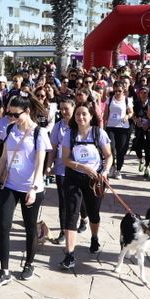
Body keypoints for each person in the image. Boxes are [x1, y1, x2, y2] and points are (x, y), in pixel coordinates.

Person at [0, 95, 51, 287]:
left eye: (16, 114)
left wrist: (33, 187)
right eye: (9, 113)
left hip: (31, 187)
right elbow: (5, 158)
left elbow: (40, 163)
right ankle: (4, 270)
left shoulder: (39, 133)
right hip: (10, 185)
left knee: (30, 227)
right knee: (3, 226)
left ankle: (29, 264)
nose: (11, 117)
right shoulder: (9, 129)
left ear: (28, 111)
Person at [60, 101, 113, 269]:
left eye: (84, 114)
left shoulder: (99, 134)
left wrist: (105, 171)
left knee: (93, 212)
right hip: (74, 177)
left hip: (95, 180)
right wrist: (82, 167)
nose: (80, 117)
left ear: (91, 116)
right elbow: (65, 159)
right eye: (77, 114)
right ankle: (69, 254)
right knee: (72, 213)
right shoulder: (69, 134)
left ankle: (94, 237)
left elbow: (109, 156)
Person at [47, 98, 87, 244]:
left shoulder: (81, 126)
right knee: (63, 201)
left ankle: (84, 217)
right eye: (61, 109)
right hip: (61, 168)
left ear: (73, 108)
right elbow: (52, 147)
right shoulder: (58, 126)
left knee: (79, 198)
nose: (64, 112)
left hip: (78, 169)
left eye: (67, 109)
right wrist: (49, 164)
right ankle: (64, 231)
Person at [102, 81, 133, 179]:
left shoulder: (127, 100)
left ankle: (118, 170)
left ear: (123, 91)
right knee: (111, 147)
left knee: (121, 150)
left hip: (123, 127)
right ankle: (112, 166)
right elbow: (106, 114)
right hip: (111, 127)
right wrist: (103, 125)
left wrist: (127, 116)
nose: (117, 93)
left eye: (119, 91)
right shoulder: (110, 99)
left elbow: (131, 112)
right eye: (116, 90)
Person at [132, 85, 150, 178]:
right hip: (139, 127)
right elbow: (133, 115)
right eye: (141, 93)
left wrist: (149, 122)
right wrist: (136, 120)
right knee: (136, 146)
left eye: (145, 92)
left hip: (149, 128)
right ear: (139, 94)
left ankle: (147, 167)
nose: (143, 94)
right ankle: (141, 160)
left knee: (148, 148)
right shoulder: (136, 103)